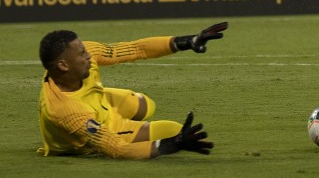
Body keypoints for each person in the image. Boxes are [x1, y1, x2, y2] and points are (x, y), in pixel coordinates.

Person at [38, 22, 229, 159]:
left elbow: (136, 49)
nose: (90, 55)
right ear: (63, 65)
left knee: (145, 105)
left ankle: (121, 114)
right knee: (176, 131)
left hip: (99, 104)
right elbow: (116, 148)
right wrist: (171, 144)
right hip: (102, 127)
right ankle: (130, 127)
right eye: (82, 53)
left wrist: (187, 41)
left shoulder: (84, 57)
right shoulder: (64, 111)